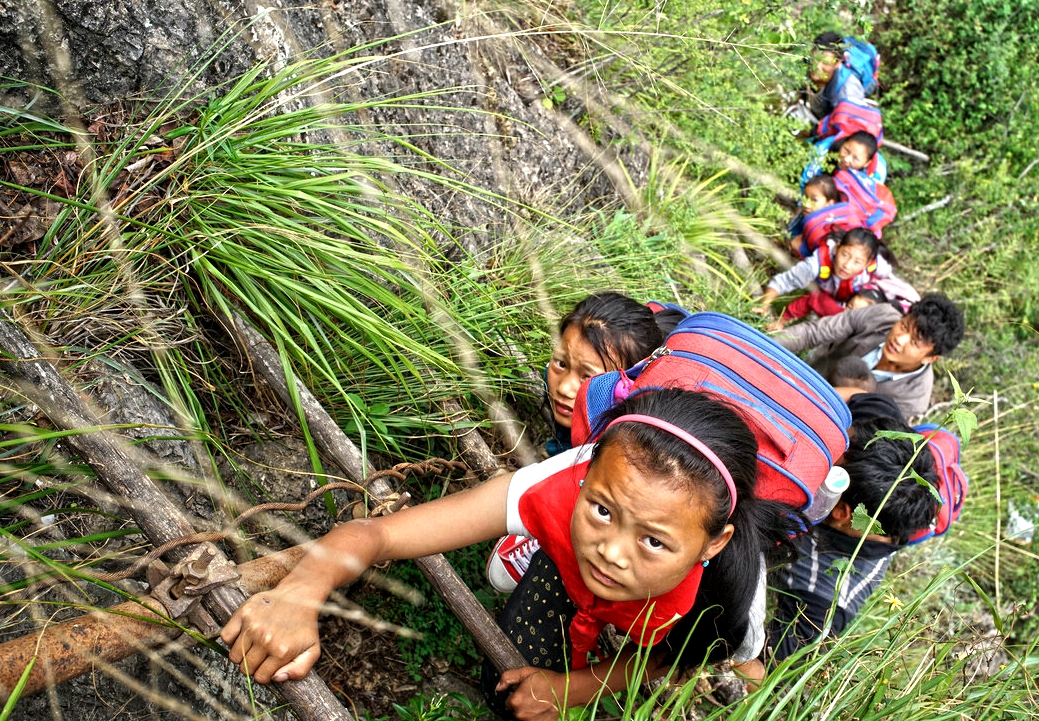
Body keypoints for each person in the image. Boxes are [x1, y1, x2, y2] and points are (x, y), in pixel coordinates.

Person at [220, 388, 801, 721]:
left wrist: (574, 688)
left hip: (664, 627)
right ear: (586, 474)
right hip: (560, 566)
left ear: (713, 543)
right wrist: (299, 592)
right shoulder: (557, 484)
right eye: (601, 509)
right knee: (514, 674)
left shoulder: (728, 591)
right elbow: (380, 535)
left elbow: (689, 660)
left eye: (653, 540)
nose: (612, 554)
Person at [489, 292, 665, 593]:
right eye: (560, 363)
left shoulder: (635, 450)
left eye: (588, 377)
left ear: (627, 387)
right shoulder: (589, 404)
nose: (566, 387)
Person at [767, 408, 940, 663]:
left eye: (828, 466)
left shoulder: (822, 602)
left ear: (839, 510)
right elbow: (861, 395)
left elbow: (766, 675)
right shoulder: (881, 449)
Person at [773, 293, 965, 419]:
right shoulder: (881, 315)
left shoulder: (913, 400)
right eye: (904, 326)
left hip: (822, 419)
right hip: (807, 373)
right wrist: (761, 346)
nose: (899, 339)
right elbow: (812, 332)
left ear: (930, 358)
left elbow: (863, 429)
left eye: (914, 343)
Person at [752, 228, 891, 319]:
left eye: (857, 262)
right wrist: (764, 304)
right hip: (827, 292)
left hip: (845, 298)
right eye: (845, 254)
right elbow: (783, 282)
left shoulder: (877, 268)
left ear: (867, 264)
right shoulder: (816, 264)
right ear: (836, 249)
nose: (847, 265)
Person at [765, 285, 886, 333]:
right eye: (849, 307)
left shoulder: (865, 337)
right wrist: (782, 320)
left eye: (856, 314)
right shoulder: (836, 311)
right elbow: (813, 300)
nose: (848, 314)